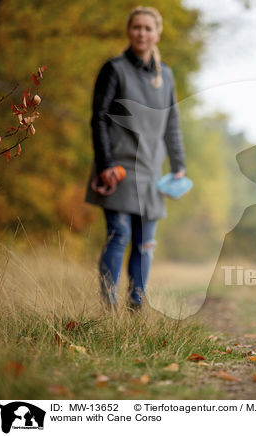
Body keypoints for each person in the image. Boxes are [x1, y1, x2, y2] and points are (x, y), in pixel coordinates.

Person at [85, 6, 186, 311]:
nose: (141, 33)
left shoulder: (165, 75)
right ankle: (108, 308)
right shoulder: (114, 69)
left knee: (145, 244)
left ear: (157, 33)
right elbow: (98, 118)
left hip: (152, 170)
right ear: (129, 31)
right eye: (136, 27)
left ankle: (136, 305)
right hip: (118, 167)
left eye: (147, 28)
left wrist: (178, 164)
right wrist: (104, 166)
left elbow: (172, 123)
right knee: (120, 236)